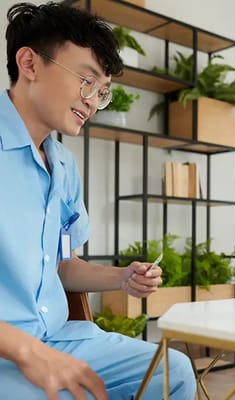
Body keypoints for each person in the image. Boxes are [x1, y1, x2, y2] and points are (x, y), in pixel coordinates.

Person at [0, 3, 196, 399]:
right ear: (30, 63)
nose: (92, 101)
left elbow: (60, 265)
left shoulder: (63, 166)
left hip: (60, 338)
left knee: (173, 371)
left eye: (102, 92)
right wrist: (26, 351)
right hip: (9, 351)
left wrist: (121, 277)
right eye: (85, 81)